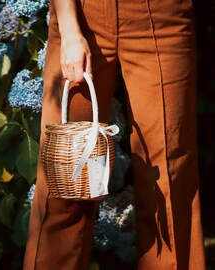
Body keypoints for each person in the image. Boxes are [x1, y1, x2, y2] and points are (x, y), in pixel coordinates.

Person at [24, 0, 206, 269]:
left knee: (169, 177)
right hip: (83, 18)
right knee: (64, 179)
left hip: (162, 17)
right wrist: (70, 29)